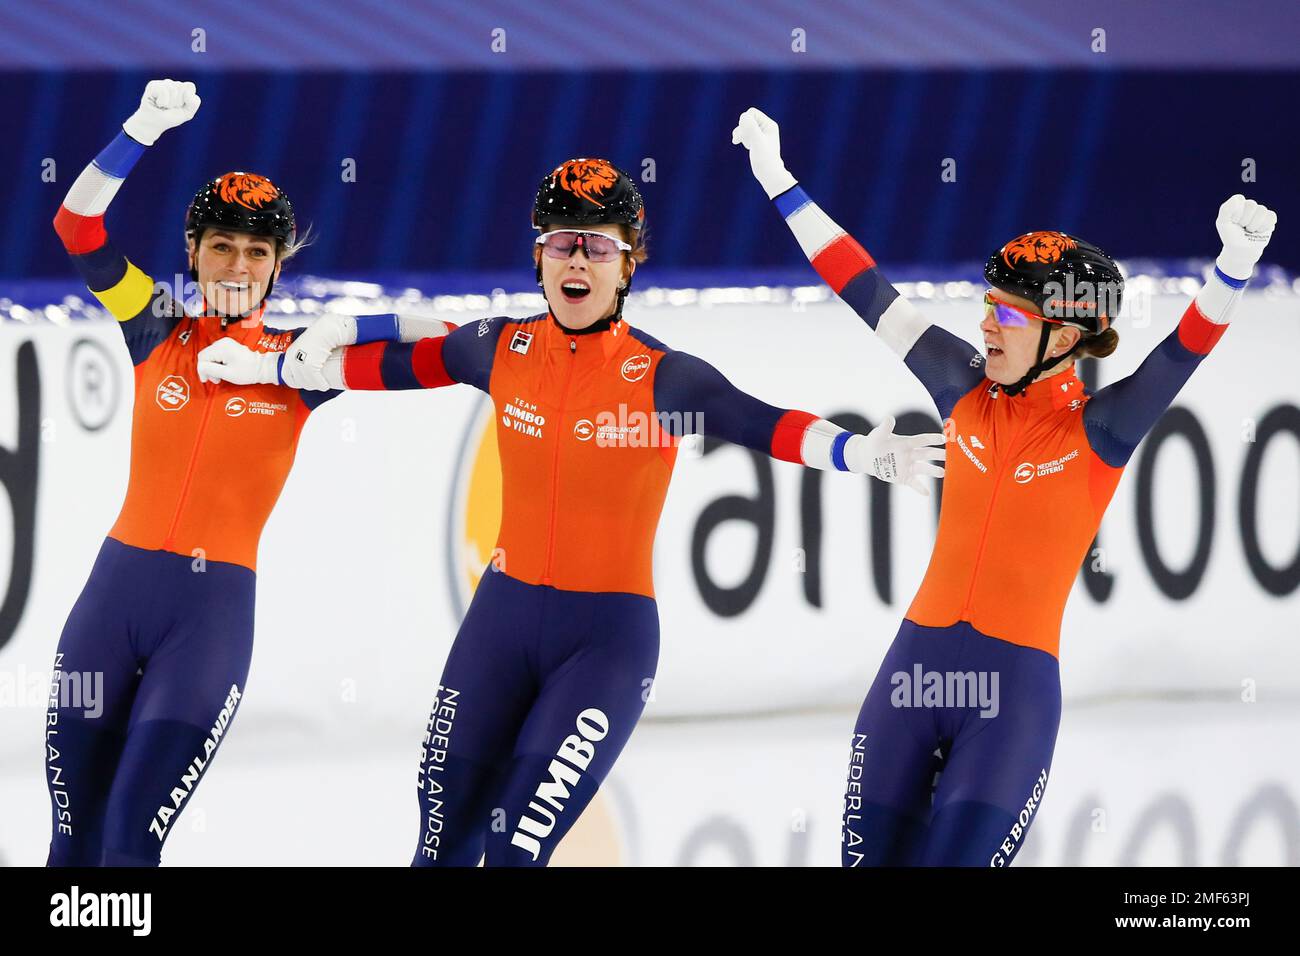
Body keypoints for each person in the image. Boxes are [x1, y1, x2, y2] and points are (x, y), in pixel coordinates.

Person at [197, 156, 947, 866]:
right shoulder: (501, 348)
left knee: (517, 851)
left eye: (597, 246)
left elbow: (760, 422)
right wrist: (276, 362)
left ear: (629, 262)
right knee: (441, 842)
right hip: (501, 624)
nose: (578, 262)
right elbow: (396, 364)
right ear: (539, 258)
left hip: (605, 648)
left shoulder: (662, 379)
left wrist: (858, 453)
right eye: (562, 244)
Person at [732, 106, 1277, 866]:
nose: (988, 324)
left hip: (1009, 707)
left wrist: (1232, 270)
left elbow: (1180, 355)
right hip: (908, 685)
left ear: (1066, 336)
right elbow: (865, 289)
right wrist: (780, 181)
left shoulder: (1102, 429)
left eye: (1010, 313)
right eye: (988, 304)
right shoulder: (958, 385)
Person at [45, 79, 449, 866]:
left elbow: (457, 346)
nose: (236, 263)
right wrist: (137, 128)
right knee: (73, 837)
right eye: (221, 245)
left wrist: (339, 330)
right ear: (191, 253)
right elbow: (75, 224)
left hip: (207, 624)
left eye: (256, 251)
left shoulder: (307, 363)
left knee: (130, 839)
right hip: (110, 601)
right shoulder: (153, 324)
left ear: (276, 266)